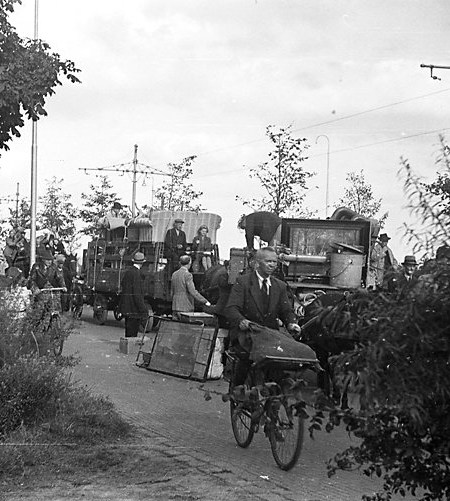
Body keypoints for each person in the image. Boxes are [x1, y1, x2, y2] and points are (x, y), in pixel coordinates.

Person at [225, 247, 302, 385]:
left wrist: (291, 323)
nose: (272, 265)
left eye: (274, 262)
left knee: (279, 365)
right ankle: (237, 392)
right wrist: (242, 321)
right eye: (268, 261)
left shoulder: (280, 286)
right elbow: (231, 308)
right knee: (245, 363)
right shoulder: (243, 282)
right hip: (246, 335)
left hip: (270, 336)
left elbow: (286, 311)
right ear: (257, 262)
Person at [27, 248, 67, 334]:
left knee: (53, 307)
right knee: (38, 311)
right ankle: (34, 329)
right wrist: (35, 288)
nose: (49, 262)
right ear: (43, 259)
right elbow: (32, 280)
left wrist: (63, 286)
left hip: (50, 291)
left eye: (51, 260)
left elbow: (59, 277)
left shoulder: (54, 267)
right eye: (47, 260)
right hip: (41, 291)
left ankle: (52, 326)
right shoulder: (37, 267)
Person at [171, 255, 211, 321]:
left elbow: (172, 291)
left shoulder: (174, 274)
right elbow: (193, 291)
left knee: (176, 328)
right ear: (189, 263)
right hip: (185, 307)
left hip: (175, 306)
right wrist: (205, 301)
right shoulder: (188, 275)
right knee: (185, 329)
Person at [118, 252, 148, 338]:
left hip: (127, 307)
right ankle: (130, 349)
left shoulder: (128, 272)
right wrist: (143, 309)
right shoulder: (137, 274)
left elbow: (123, 285)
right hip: (134, 309)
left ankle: (127, 348)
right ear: (142, 263)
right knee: (133, 333)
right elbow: (137, 294)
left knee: (128, 332)